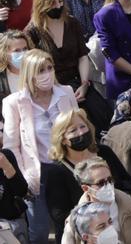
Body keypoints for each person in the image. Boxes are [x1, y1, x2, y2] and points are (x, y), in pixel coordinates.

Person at [3, 49, 73, 242]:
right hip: (38, 174)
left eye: (49, 68)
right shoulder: (14, 103)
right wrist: (24, 177)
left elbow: (79, 127)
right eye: (40, 70)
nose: (47, 74)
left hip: (67, 169)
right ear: (29, 74)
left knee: (67, 224)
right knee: (40, 230)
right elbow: (11, 146)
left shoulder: (66, 93)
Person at [62, 156, 131, 243]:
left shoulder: (127, 206)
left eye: (110, 180)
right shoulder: (75, 221)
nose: (108, 186)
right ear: (86, 188)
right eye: (101, 183)